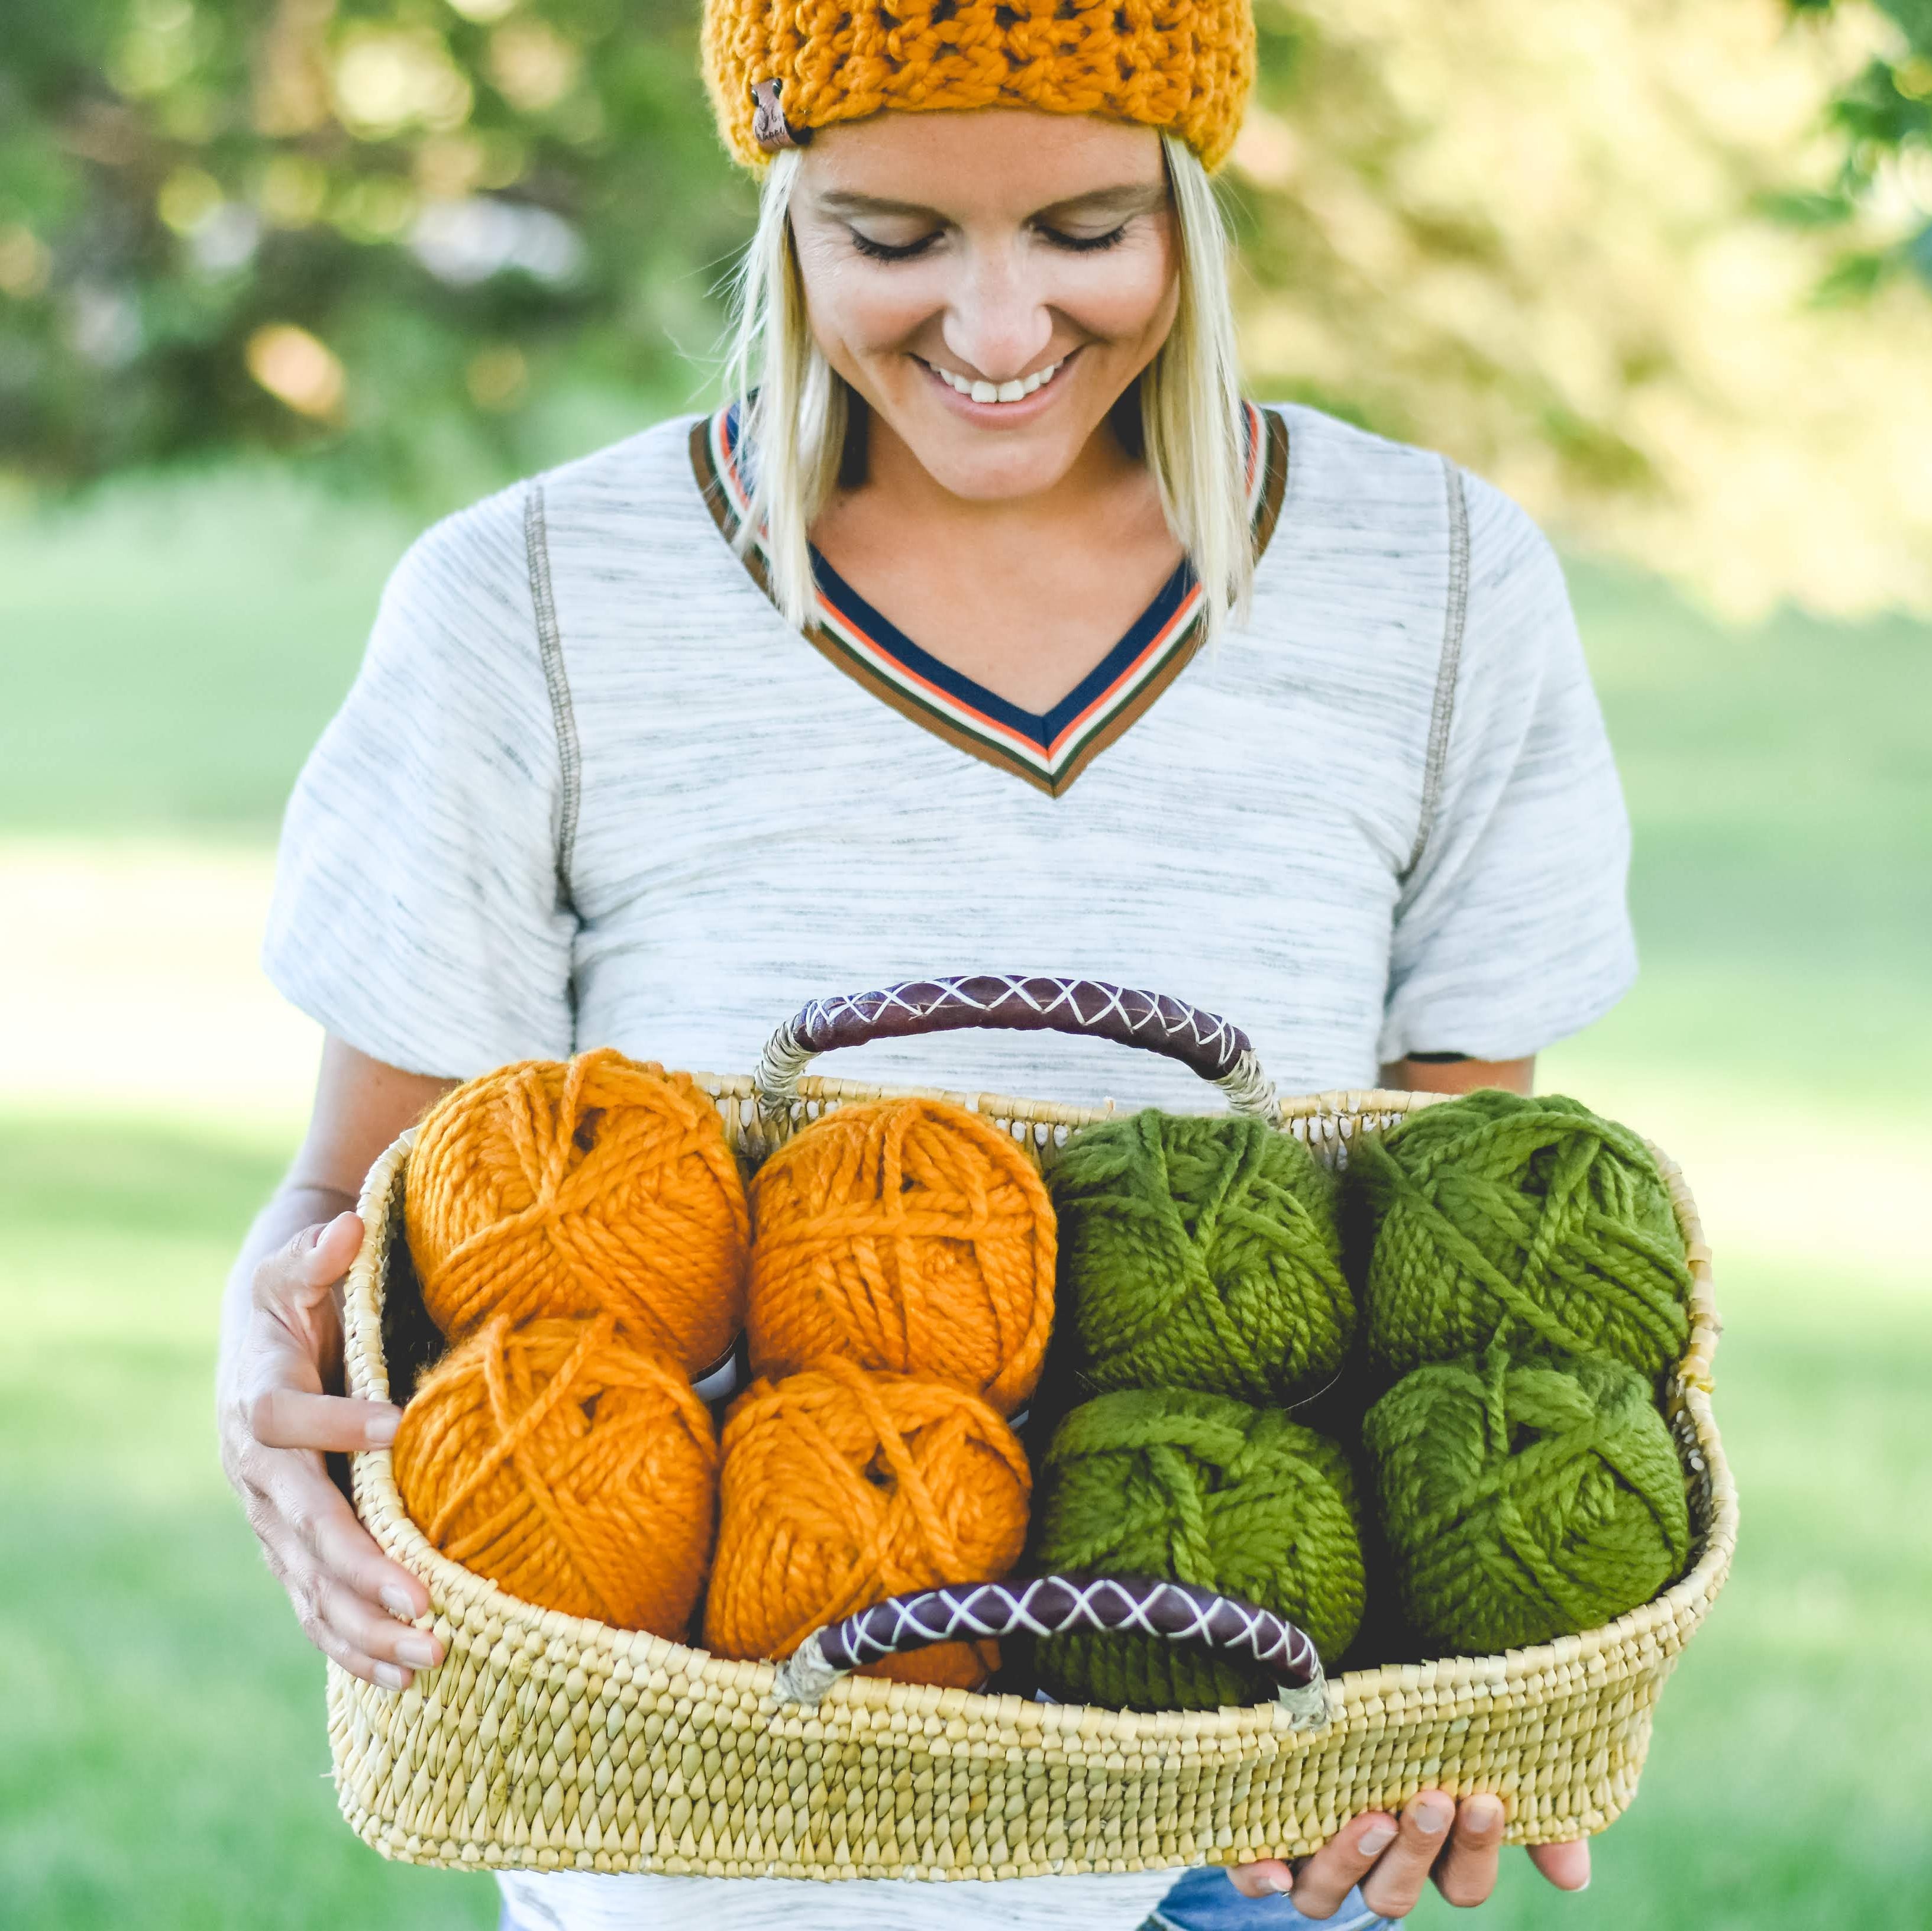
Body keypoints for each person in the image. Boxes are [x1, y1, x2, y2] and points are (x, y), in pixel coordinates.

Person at [218, 0, 1629, 1924]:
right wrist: (260, 1369)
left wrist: (1451, 1698)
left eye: (1081, 230)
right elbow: (353, 1206)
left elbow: (1441, 1286)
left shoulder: (1436, 582)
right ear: (786, 211)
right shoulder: (536, 601)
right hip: (711, 1844)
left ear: (1187, 207)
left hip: (1226, 1833)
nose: (990, 331)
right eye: (892, 239)